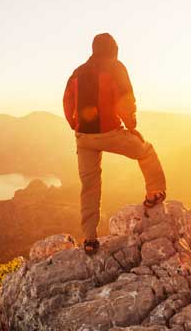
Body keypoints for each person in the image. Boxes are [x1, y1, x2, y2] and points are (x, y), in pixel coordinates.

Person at [62, 33, 167, 255]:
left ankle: (90, 239)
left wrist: (75, 125)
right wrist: (131, 126)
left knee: (89, 187)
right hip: (110, 132)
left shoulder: (77, 72)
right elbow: (125, 100)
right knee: (146, 151)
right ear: (113, 49)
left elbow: (67, 101)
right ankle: (154, 193)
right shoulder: (115, 66)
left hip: (83, 138)